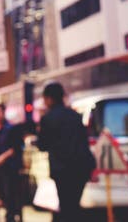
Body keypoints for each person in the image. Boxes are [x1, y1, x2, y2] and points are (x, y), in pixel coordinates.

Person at [36, 82, 95, 222]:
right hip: (81, 168)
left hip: (62, 169)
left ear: (49, 98)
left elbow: (42, 145)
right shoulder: (75, 116)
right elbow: (83, 142)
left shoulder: (47, 119)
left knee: (66, 206)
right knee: (73, 205)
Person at [0, 103, 23, 222]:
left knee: (10, 195)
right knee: (1, 195)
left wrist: (2, 158)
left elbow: (14, 148)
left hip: (9, 168)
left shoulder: (10, 128)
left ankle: (10, 217)